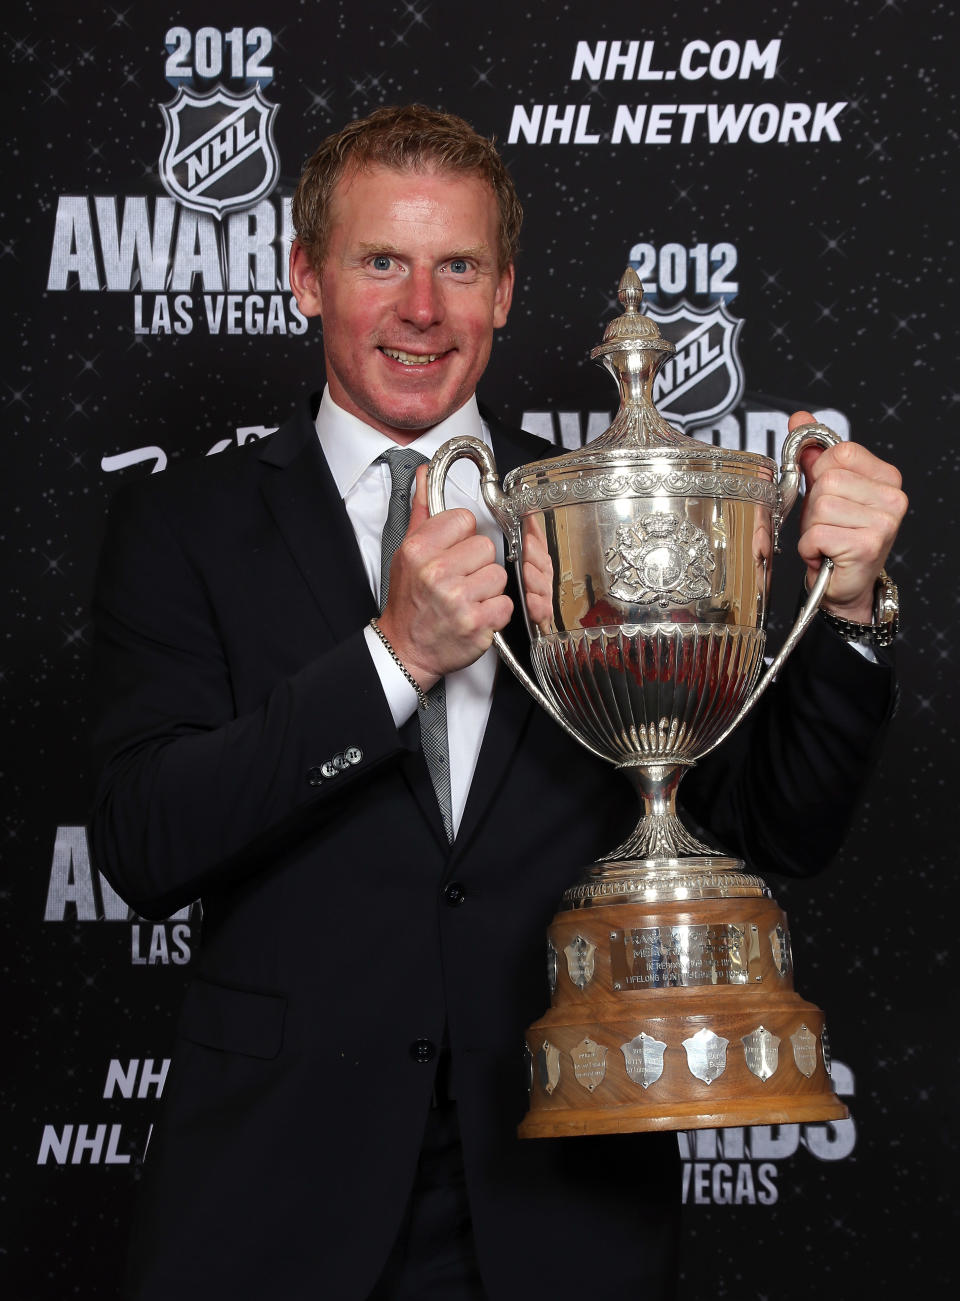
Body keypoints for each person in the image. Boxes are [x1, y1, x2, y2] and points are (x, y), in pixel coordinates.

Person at [89, 104, 907, 1301]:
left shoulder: (602, 507)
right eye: (382, 261)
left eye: (458, 266)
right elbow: (145, 840)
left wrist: (848, 609)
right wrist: (393, 658)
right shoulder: (186, 525)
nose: (421, 308)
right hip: (271, 1199)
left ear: (507, 291)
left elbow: (783, 827)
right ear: (304, 277)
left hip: (563, 1198)